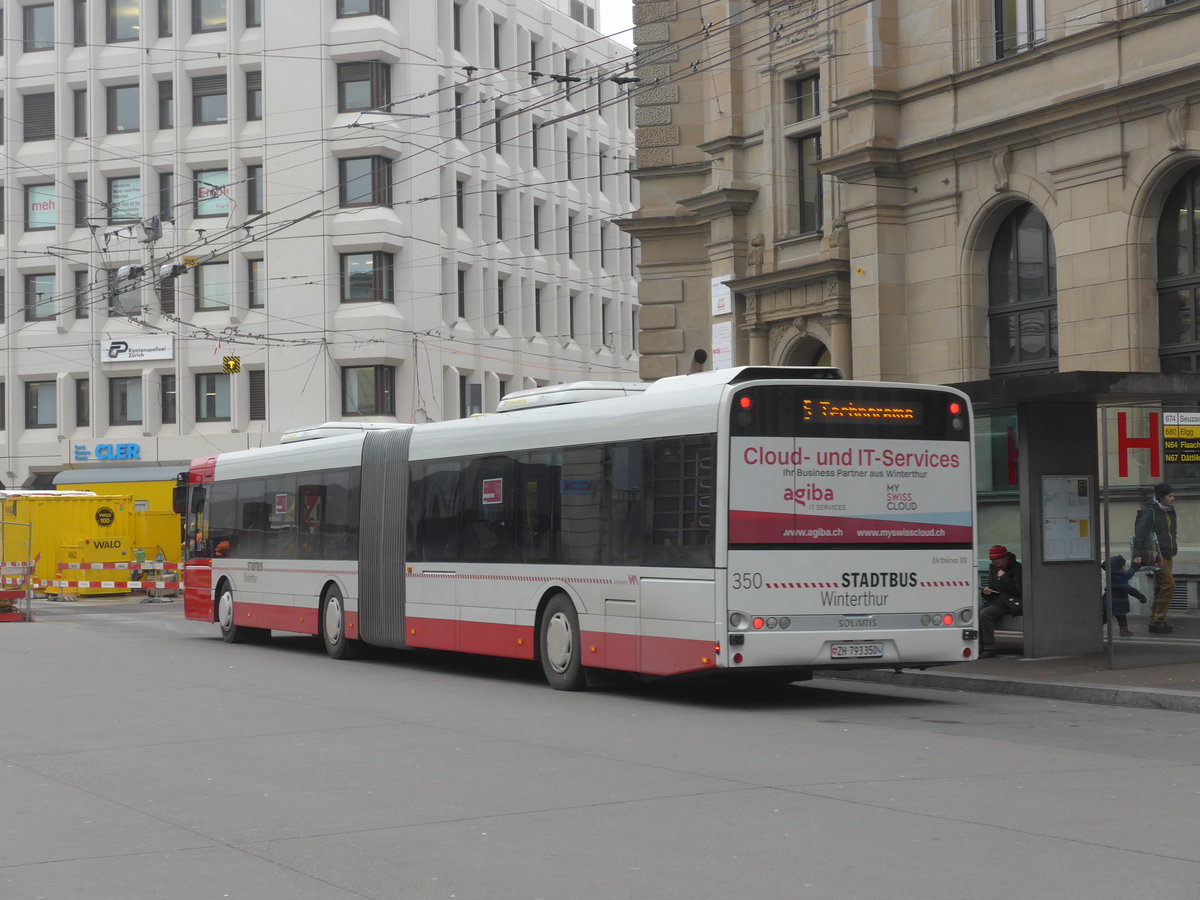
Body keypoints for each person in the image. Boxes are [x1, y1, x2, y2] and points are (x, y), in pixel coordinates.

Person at [1132, 482, 1178, 634]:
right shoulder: (1150, 511)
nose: (1173, 498)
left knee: (1160, 587)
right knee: (1169, 584)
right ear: (1161, 497)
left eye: (1173, 495)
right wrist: (1137, 555)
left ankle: (1154, 621)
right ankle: (1159, 619)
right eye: (1170, 496)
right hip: (1157, 554)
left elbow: (1172, 533)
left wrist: (1174, 548)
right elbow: (1140, 534)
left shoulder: (1169, 511)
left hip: (1168, 554)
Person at [979, 544, 1022, 659]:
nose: (995, 564)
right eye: (993, 561)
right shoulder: (994, 568)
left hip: (1009, 602)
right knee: (977, 611)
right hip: (996, 600)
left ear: (1005, 558)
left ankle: (989, 648)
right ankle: (979, 646)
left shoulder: (1017, 568)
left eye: (996, 561)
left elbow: (1017, 591)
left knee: (985, 614)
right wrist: (986, 592)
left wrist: (1004, 578)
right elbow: (993, 588)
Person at [1102, 555, 1146, 637]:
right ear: (1117, 569)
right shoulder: (1116, 579)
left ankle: (1124, 630)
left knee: (1120, 617)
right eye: (1123, 567)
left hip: (1114, 603)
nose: (1125, 568)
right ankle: (1093, 627)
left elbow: (1128, 574)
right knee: (1106, 618)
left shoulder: (1118, 576)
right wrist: (1139, 596)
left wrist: (1135, 566)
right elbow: (1128, 589)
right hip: (1112, 603)